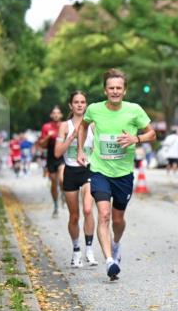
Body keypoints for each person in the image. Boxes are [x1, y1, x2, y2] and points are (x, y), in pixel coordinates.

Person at [77, 69, 155, 280]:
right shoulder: (94, 109)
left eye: (118, 88)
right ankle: (110, 261)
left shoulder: (134, 110)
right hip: (100, 170)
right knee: (104, 214)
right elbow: (82, 127)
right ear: (105, 90)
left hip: (123, 174)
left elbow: (152, 133)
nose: (115, 91)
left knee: (118, 220)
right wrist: (81, 151)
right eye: (111, 88)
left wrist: (135, 139)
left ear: (124, 90)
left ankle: (116, 244)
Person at [55, 91, 100, 268]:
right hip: (71, 172)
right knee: (74, 216)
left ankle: (89, 250)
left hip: (88, 170)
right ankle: (76, 250)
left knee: (88, 209)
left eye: (83, 102)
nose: (80, 105)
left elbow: (98, 149)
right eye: (76, 102)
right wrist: (72, 137)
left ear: (86, 104)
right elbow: (57, 152)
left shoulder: (94, 125)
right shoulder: (64, 126)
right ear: (70, 106)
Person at [37, 107, 64, 216]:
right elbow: (42, 145)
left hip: (62, 157)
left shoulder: (64, 125)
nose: (56, 115)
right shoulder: (46, 127)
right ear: (51, 115)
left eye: (58, 113)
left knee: (62, 179)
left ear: (61, 115)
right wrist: (48, 136)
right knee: (53, 183)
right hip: (51, 158)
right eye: (54, 113)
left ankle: (63, 193)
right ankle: (56, 204)